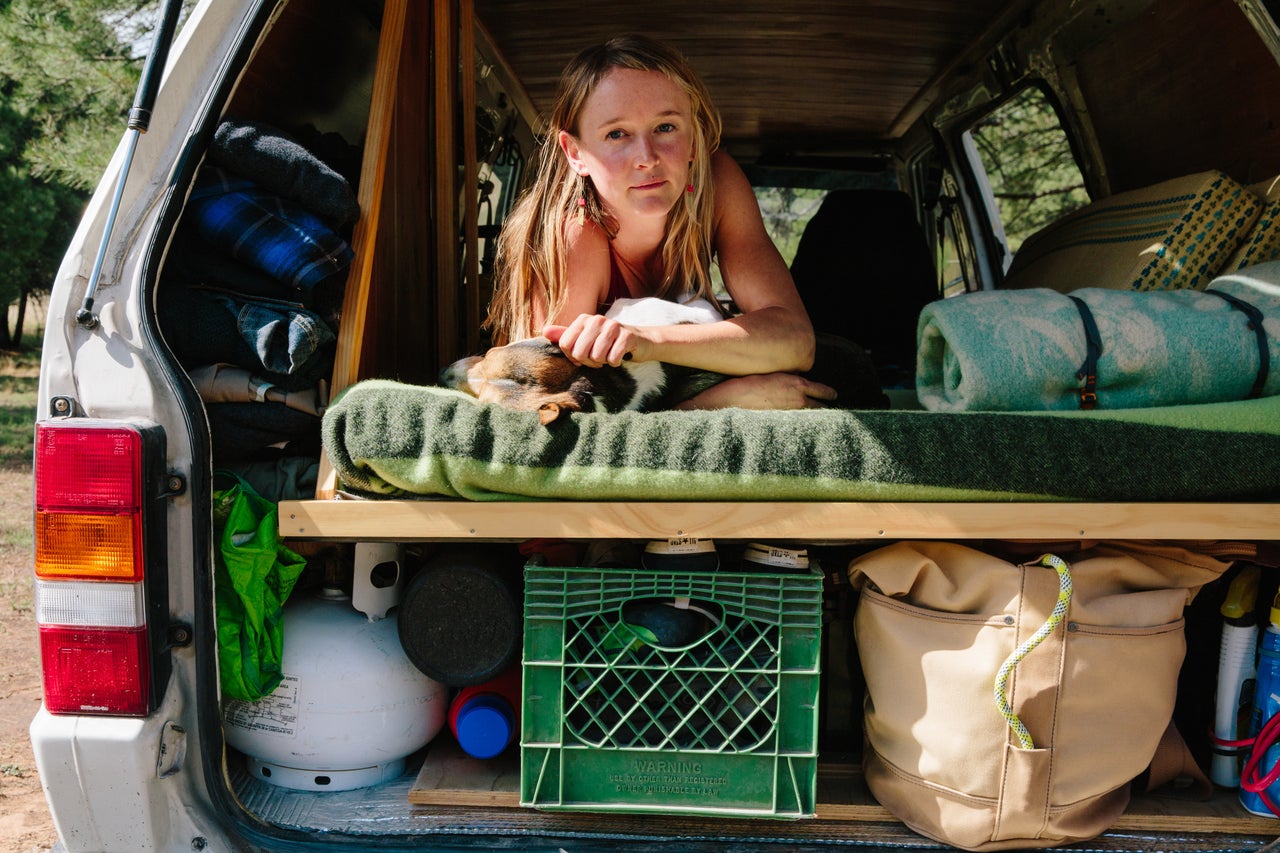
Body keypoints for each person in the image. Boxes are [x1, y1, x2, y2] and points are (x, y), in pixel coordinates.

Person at [484, 35, 836, 409]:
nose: (647, 157)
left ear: (695, 138)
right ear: (576, 153)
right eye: (617, 134)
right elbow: (559, 415)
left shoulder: (716, 185)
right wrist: (723, 402)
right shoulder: (577, 234)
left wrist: (643, 341)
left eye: (665, 127)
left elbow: (796, 342)